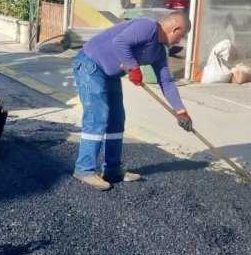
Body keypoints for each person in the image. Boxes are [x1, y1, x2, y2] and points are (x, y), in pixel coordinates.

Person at [71, 11, 193, 190]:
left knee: (116, 119)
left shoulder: (159, 51)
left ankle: (112, 169)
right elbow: (119, 43)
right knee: (97, 118)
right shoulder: (148, 26)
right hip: (91, 65)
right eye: (181, 36)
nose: (178, 41)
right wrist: (134, 67)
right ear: (175, 29)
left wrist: (181, 111)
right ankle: (84, 169)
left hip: (110, 75)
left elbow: (166, 81)